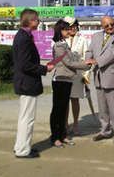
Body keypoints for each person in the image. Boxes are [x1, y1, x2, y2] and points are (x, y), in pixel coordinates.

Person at [12, 9, 54, 159]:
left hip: (26, 82)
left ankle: (21, 146)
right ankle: (23, 150)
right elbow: (25, 65)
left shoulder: (24, 36)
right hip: (27, 83)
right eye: (36, 20)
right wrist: (44, 68)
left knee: (25, 117)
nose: (38, 22)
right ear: (29, 21)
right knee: (27, 119)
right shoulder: (23, 38)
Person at [50, 19, 95, 148]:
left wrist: (86, 72)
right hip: (61, 78)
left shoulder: (71, 42)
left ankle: (64, 134)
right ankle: (56, 136)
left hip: (72, 77)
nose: (70, 30)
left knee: (67, 105)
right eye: (67, 28)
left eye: (73, 27)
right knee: (58, 110)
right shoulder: (59, 45)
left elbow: (79, 57)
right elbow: (69, 62)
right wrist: (86, 65)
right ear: (61, 31)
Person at [85, 16, 114, 144]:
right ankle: (105, 131)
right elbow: (89, 50)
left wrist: (97, 61)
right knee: (102, 107)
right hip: (98, 76)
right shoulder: (96, 36)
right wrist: (88, 60)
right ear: (101, 25)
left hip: (113, 76)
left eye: (112, 24)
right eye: (106, 25)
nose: (110, 27)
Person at [64, 17, 89, 136]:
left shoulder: (83, 40)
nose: (73, 28)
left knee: (75, 100)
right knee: (64, 100)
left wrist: (86, 75)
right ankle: (65, 124)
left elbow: (86, 59)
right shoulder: (62, 40)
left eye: (75, 26)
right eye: (70, 26)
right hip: (64, 75)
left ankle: (75, 124)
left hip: (78, 74)